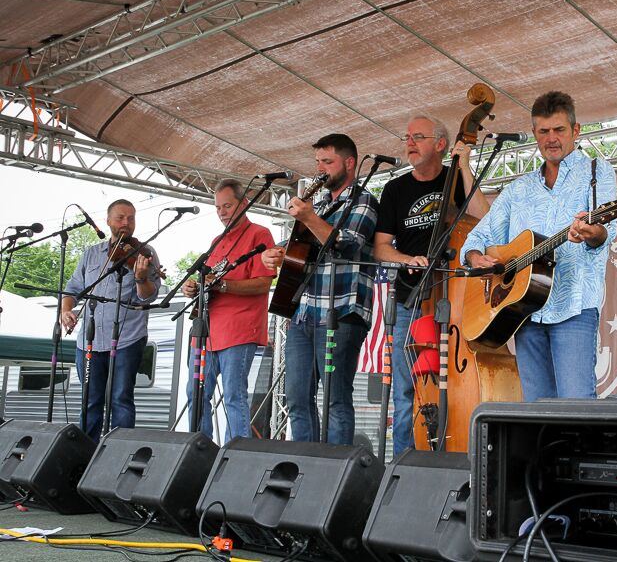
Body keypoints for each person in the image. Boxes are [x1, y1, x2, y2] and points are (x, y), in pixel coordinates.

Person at [460, 91, 617, 402]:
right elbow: (478, 236)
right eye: (544, 131)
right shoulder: (519, 188)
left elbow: (605, 234)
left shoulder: (596, 172)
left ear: (575, 130)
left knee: (576, 404)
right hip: (524, 311)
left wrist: (591, 232)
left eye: (559, 129)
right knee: (536, 410)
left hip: (573, 306)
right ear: (534, 133)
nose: (551, 138)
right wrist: (476, 257)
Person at [373, 114, 491, 456]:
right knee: (406, 390)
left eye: (418, 137)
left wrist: (465, 167)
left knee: (457, 383)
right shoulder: (395, 190)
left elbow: (485, 219)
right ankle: (403, 464)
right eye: (407, 138)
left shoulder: (456, 181)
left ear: (440, 144)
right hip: (410, 298)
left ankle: (457, 458)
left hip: (454, 297)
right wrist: (406, 259)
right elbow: (381, 248)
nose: (409, 143)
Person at [261, 134, 378, 445]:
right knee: (297, 398)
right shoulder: (321, 203)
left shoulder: (364, 201)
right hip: (304, 312)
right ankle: (305, 464)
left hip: (342, 311)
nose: (320, 169)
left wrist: (309, 217)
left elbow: (347, 244)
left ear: (349, 163)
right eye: (318, 163)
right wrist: (276, 252)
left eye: (328, 162)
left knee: (336, 400)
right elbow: (301, 245)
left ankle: (338, 469)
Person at [61, 199, 162, 441]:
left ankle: (119, 453)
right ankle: (85, 454)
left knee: (121, 399)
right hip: (90, 340)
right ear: (108, 221)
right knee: (90, 401)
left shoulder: (145, 253)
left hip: (127, 338)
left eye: (131, 218)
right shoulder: (91, 254)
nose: (126, 223)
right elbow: (72, 290)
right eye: (120, 218)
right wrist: (66, 311)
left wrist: (141, 278)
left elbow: (149, 296)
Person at [183, 179, 276, 441]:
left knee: (234, 395)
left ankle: (235, 456)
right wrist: (193, 287)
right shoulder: (217, 240)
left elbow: (263, 283)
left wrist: (222, 285)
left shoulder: (259, 234)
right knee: (195, 393)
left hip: (239, 328)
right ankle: (200, 452)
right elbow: (208, 279)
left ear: (244, 204)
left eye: (227, 206)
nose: (222, 212)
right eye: (218, 208)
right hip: (207, 328)